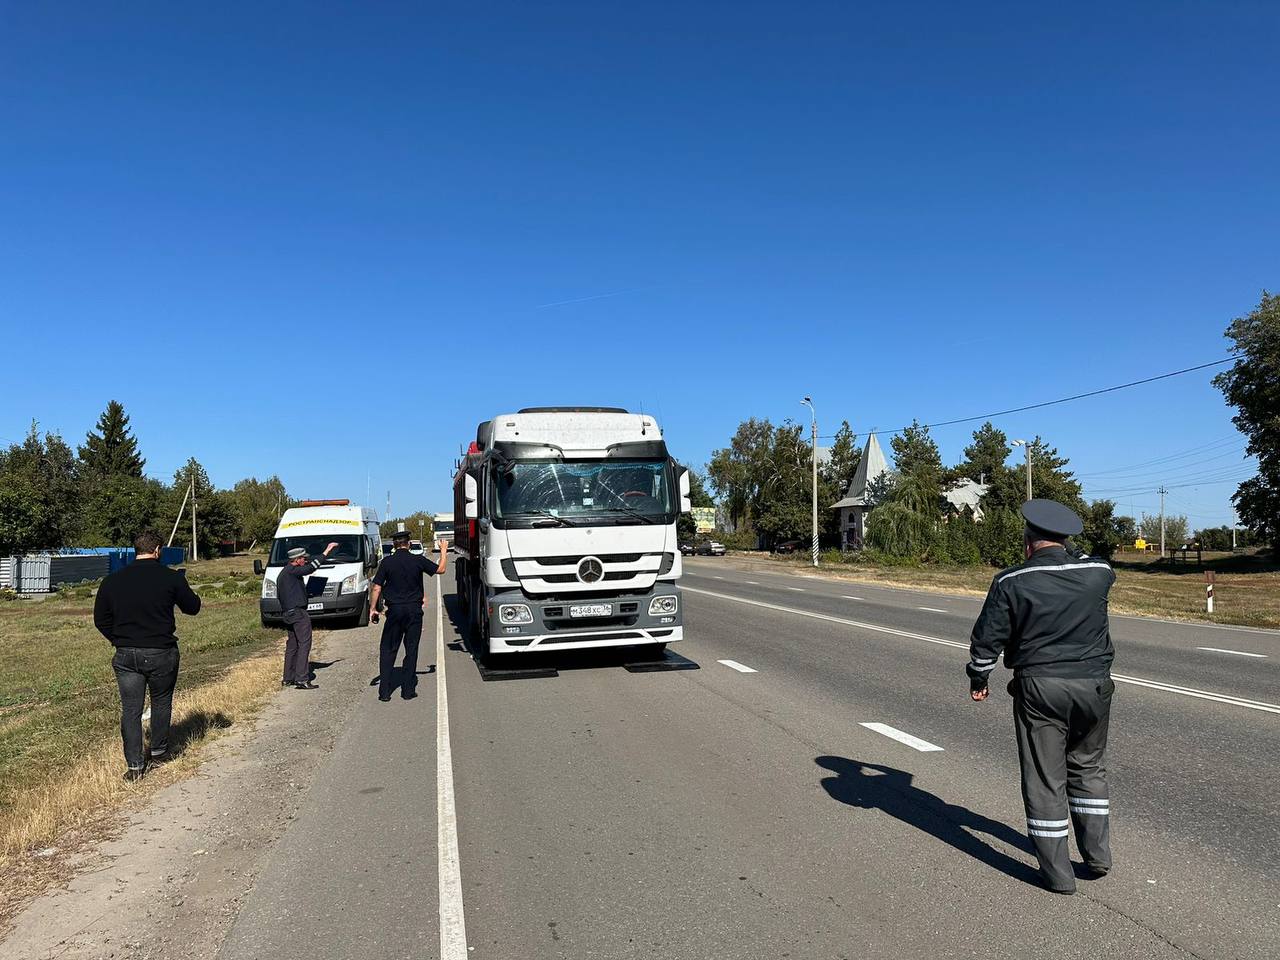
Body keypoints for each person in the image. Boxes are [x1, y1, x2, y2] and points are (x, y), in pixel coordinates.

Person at [967, 499, 1117, 895]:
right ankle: (1098, 857)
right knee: (1088, 767)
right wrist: (1069, 547)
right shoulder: (1098, 572)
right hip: (1094, 685)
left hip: (1041, 687)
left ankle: (1057, 875)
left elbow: (988, 638)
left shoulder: (1011, 581)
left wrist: (978, 677)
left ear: (1028, 540)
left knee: (1045, 778)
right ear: (1065, 539)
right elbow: (1090, 556)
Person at [94, 530, 201, 781]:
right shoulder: (171, 578)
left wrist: (118, 640)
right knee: (161, 701)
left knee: (131, 709)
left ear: (135, 550)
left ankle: (134, 766)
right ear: (158, 550)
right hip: (161, 651)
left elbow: (101, 620)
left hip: (126, 655)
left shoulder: (112, 580)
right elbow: (193, 608)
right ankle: (160, 752)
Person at [369, 530, 448, 701]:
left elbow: (377, 587)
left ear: (394, 546)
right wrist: (443, 550)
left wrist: (373, 609)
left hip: (395, 611)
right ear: (409, 544)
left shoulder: (387, 562)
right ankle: (408, 690)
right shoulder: (417, 560)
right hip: (413, 610)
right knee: (411, 649)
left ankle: (384, 692)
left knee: (388, 649)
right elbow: (441, 569)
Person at [276, 540, 340, 690]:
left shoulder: (285, 573)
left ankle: (288, 677)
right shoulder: (293, 570)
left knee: (292, 645)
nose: (306, 561)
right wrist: (327, 551)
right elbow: (311, 568)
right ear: (297, 560)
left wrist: (307, 593)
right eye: (304, 558)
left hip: (288, 613)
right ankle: (302, 679)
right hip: (298, 613)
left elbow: (291, 592)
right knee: (305, 643)